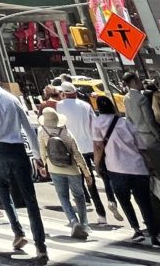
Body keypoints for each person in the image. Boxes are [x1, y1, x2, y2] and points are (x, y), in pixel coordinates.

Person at [0, 66, 47, 264]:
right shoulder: (12, 98)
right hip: (18, 148)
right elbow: (28, 127)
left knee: (3, 190)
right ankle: (40, 245)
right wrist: (38, 154)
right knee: (30, 198)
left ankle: (18, 231)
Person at [93, 94, 160, 247]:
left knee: (124, 200)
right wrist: (150, 165)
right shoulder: (125, 122)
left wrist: (97, 165)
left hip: (116, 168)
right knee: (144, 202)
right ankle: (153, 235)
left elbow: (98, 147)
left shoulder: (97, 123)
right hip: (137, 167)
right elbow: (141, 146)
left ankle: (137, 230)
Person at [55, 82, 108, 222]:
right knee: (103, 174)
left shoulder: (60, 106)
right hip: (91, 144)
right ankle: (111, 200)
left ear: (64, 93)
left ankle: (100, 214)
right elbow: (95, 123)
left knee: (86, 181)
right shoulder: (85, 105)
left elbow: (60, 126)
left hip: (76, 148)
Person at [37, 106, 92, 240]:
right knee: (79, 196)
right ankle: (84, 223)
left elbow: (42, 152)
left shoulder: (42, 131)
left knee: (63, 197)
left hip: (54, 168)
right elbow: (77, 154)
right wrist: (86, 172)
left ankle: (73, 221)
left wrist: (43, 166)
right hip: (72, 169)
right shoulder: (66, 132)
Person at [122, 73, 160, 148]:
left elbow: (128, 119)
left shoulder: (126, 98)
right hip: (150, 137)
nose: (141, 82)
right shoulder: (142, 98)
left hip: (138, 138)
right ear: (134, 81)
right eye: (139, 80)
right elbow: (149, 120)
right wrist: (159, 136)